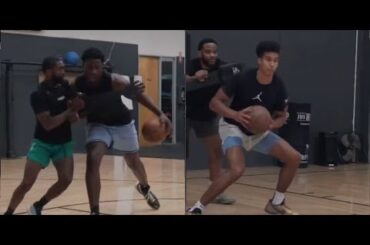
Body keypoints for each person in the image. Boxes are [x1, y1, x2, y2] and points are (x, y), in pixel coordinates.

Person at [187, 40, 301, 215]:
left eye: (275, 60)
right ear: (259, 60)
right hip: (233, 127)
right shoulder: (242, 78)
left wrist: (271, 124)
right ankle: (198, 207)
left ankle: (276, 203)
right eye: (268, 59)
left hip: (258, 132)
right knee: (237, 169)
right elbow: (214, 103)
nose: (272, 64)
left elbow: (282, 115)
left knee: (294, 158)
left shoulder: (278, 85)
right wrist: (235, 115)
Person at [74, 47, 172, 215]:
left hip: (122, 124)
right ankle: (94, 210)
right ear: (83, 66)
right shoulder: (78, 84)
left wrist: (160, 113)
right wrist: (77, 112)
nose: (93, 71)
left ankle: (144, 188)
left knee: (133, 162)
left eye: (97, 67)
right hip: (98, 125)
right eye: (89, 67)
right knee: (93, 158)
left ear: (102, 66)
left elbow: (139, 95)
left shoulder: (115, 81)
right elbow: (78, 110)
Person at [4, 56, 80, 215]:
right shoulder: (38, 94)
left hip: (63, 143)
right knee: (26, 183)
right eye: (60, 68)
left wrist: (76, 112)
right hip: (42, 144)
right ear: (48, 71)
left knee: (66, 179)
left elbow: (74, 117)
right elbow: (48, 124)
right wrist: (69, 112)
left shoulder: (66, 87)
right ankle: (9, 212)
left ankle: (38, 205)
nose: (63, 71)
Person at [186, 38, 235, 205]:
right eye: (208, 51)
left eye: (214, 51)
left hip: (207, 117)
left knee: (216, 153)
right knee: (181, 154)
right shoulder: (191, 65)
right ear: (200, 53)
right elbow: (180, 80)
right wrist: (193, 77)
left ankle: (217, 192)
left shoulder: (223, 67)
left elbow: (232, 87)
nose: (212, 55)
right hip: (185, 114)